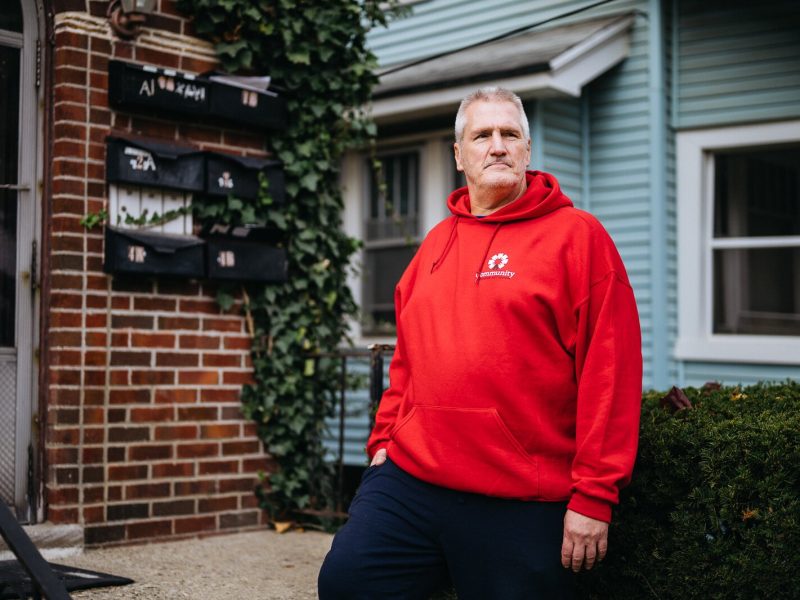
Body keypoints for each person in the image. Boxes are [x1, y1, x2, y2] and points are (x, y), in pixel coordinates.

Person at [318, 87, 642, 599]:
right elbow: (407, 359)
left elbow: (611, 375)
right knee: (346, 584)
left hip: (520, 496)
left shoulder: (578, 238)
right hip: (412, 480)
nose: (497, 146)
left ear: (527, 150)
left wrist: (594, 497)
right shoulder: (435, 244)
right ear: (459, 155)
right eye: (482, 135)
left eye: (509, 134)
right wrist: (383, 440)